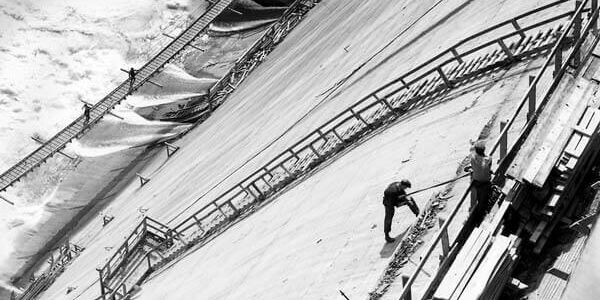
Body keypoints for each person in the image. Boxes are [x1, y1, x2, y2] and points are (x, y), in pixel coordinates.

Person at [465, 140, 493, 225]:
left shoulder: (473, 159)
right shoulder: (489, 159)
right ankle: (480, 217)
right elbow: (487, 168)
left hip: (477, 182)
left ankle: (473, 215)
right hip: (486, 182)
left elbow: (474, 165)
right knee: (483, 202)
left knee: (475, 199)